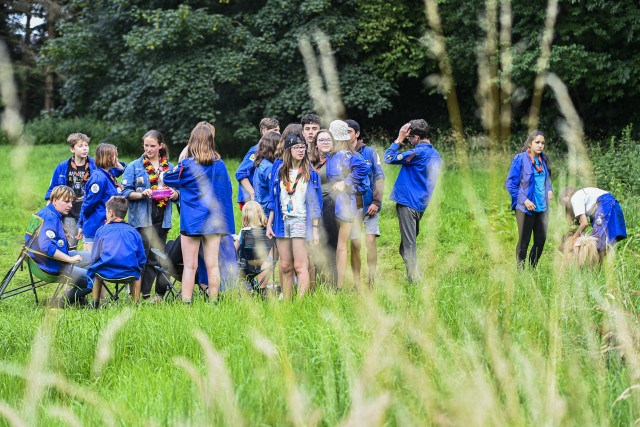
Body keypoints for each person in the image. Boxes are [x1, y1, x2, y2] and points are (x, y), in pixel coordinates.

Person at [162, 122, 235, 304]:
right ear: (211, 141)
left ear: (192, 141)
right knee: (213, 264)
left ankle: (186, 303)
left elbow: (168, 177)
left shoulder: (187, 165)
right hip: (214, 221)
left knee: (190, 265)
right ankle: (213, 302)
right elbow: (227, 190)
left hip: (192, 221)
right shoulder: (220, 165)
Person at [121, 130, 179, 302]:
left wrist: (175, 195)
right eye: (146, 145)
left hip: (162, 217)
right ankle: (136, 294)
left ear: (160, 146)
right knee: (142, 256)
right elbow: (125, 192)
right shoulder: (134, 166)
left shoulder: (170, 167)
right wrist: (142, 194)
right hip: (142, 218)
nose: (148, 149)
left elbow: (179, 191)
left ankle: (146, 293)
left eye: (152, 146)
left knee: (155, 256)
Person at [309, 122, 368, 289]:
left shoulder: (345, 155)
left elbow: (364, 168)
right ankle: (334, 284)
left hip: (344, 204)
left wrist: (345, 182)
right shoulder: (331, 156)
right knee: (336, 246)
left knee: (341, 248)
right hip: (333, 204)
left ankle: (338, 287)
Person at [266, 132, 322, 299]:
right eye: (296, 147)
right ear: (288, 150)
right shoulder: (279, 172)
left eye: (303, 147)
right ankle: (287, 301)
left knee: (299, 265)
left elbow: (316, 205)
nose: (300, 150)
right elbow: (273, 200)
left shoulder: (311, 174)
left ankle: (300, 303)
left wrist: (315, 229)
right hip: (282, 222)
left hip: (301, 221)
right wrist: (269, 224)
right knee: (285, 265)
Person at [44, 133, 124, 250]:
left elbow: (118, 171)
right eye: (80, 146)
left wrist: (112, 156)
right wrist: (49, 211)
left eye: (86, 145)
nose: (85, 148)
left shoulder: (96, 164)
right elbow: (53, 190)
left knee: (89, 242)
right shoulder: (62, 167)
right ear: (72, 149)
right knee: (70, 245)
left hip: (89, 211)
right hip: (70, 211)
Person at [384, 119, 441, 282]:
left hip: (408, 203)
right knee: (406, 245)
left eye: (409, 138)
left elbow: (388, 157)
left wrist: (399, 139)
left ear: (416, 137)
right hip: (421, 203)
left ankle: (416, 281)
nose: (408, 141)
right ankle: (414, 276)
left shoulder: (417, 153)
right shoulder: (436, 155)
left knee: (408, 246)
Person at [29, 185, 92, 304]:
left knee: (93, 257)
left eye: (72, 202)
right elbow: (47, 247)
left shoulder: (47, 212)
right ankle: (61, 302)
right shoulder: (50, 217)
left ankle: (78, 292)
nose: (70, 206)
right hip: (50, 265)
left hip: (42, 261)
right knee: (94, 280)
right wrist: (69, 259)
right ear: (55, 200)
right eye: (66, 202)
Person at [505, 130, 553, 270]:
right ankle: (520, 271)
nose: (540, 145)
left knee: (540, 241)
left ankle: (532, 270)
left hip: (542, 207)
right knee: (524, 241)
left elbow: (545, 180)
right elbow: (510, 184)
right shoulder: (520, 159)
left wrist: (549, 189)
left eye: (542, 143)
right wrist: (524, 200)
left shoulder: (544, 159)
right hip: (525, 208)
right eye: (537, 142)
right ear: (530, 143)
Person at [345, 119, 385, 287]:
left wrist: (376, 202)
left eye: (349, 131)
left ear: (357, 134)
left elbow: (379, 177)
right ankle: (356, 282)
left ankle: (372, 279)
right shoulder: (340, 153)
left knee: (370, 241)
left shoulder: (369, 152)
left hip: (370, 204)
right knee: (355, 243)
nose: (346, 135)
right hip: (351, 206)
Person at [87, 196, 146, 308]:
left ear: (111, 213)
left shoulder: (101, 231)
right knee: (137, 273)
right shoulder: (134, 232)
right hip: (129, 273)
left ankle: (95, 303)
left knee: (95, 271)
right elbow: (141, 258)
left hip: (105, 272)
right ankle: (136, 304)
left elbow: (94, 257)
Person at [77, 143, 125, 252]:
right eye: (115, 156)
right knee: (93, 259)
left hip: (107, 228)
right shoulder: (99, 179)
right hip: (96, 229)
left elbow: (121, 169)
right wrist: (82, 224)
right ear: (108, 158)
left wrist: (113, 160)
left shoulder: (109, 174)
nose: (117, 159)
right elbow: (88, 204)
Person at [559, 186, 626, 253]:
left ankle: (594, 258)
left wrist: (573, 239)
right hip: (610, 202)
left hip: (605, 203)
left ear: (567, 195)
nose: (566, 205)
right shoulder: (580, 194)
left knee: (595, 240)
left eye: (564, 202)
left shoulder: (574, 198)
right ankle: (601, 258)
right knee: (605, 238)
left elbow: (584, 223)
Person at [235, 118, 280, 210]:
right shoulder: (255, 151)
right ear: (264, 131)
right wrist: (252, 193)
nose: (278, 133)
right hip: (251, 199)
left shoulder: (272, 149)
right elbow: (240, 172)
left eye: (279, 130)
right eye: (275, 130)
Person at [235, 201, 274, 293]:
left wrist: (235, 238)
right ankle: (262, 286)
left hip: (246, 267)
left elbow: (234, 250)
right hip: (264, 266)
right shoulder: (268, 231)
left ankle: (246, 285)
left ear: (245, 216)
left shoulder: (244, 232)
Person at [252, 130, 281, 218]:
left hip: (259, 209)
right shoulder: (269, 168)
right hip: (267, 212)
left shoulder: (261, 163)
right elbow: (274, 191)